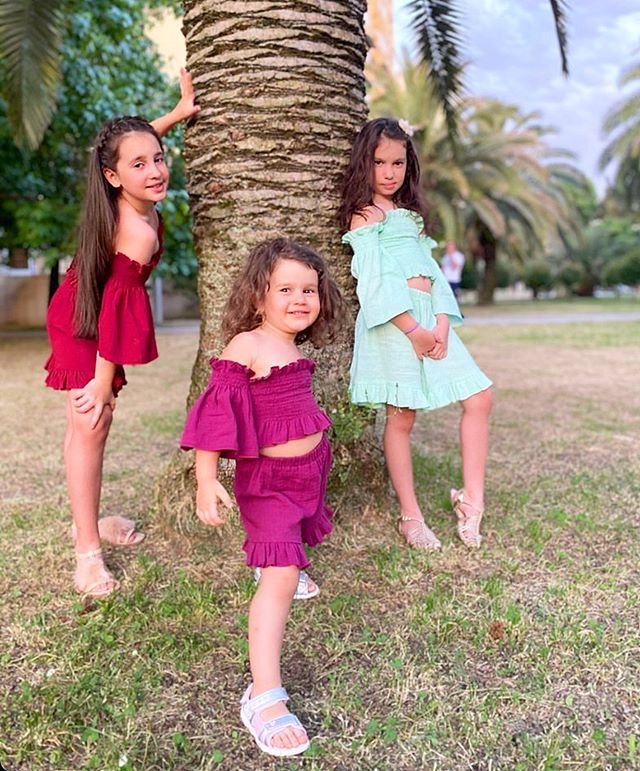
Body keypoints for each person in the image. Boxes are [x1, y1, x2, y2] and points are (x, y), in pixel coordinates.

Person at [180, 238, 346, 757]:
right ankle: (264, 696)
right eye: (285, 289)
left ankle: (280, 565)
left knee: (289, 557)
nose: (300, 299)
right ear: (258, 296)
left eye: (309, 290)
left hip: (307, 476)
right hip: (269, 485)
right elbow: (215, 414)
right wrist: (206, 479)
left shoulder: (294, 348)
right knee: (281, 578)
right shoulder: (248, 345)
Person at [44, 69, 200, 599]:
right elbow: (114, 311)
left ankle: (86, 523)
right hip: (83, 322)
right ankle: (87, 552)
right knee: (91, 421)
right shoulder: (133, 228)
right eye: (140, 165)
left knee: (89, 425)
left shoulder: (125, 188)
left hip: (91, 311)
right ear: (113, 177)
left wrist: (174, 116)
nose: (155, 171)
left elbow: (127, 149)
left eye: (159, 158)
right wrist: (100, 380)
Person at [338, 117, 493, 550]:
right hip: (396, 323)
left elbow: (434, 273)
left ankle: (472, 500)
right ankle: (410, 516)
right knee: (402, 415)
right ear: (363, 164)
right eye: (379, 163)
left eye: (398, 163)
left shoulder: (409, 217)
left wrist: (441, 321)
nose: (389, 172)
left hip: (431, 317)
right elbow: (374, 285)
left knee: (480, 397)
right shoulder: (365, 217)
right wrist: (413, 330)